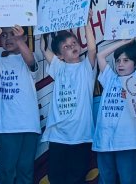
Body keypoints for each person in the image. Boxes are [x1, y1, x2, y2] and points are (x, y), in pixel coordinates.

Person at [0, 26, 41, 184]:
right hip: (6, 125)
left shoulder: (29, 57)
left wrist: (19, 40)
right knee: (7, 170)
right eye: (4, 35)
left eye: (12, 34)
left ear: (24, 38)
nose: (8, 39)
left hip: (29, 124)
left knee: (25, 169)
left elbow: (31, 62)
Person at [42, 29, 97, 184]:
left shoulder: (86, 68)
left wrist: (86, 22)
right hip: (58, 135)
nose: (72, 46)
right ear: (59, 56)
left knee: (77, 178)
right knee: (56, 178)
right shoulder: (58, 68)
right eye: (66, 47)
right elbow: (44, 49)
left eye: (74, 43)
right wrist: (45, 28)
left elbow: (92, 49)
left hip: (81, 135)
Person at [94, 37, 136, 184]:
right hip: (104, 140)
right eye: (118, 60)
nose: (120, 64)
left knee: (128, 180)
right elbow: (100, 55)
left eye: (126, 60)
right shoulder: (109, 78)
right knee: (106, 179)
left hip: (127, 141)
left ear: (135, 64)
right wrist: (124, 42)